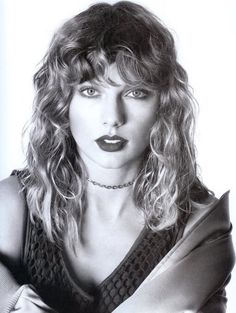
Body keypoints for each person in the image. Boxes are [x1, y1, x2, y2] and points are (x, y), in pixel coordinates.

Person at [0, 1, 235, 312]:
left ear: (163, 105)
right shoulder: (14, 206)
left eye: (135, 92)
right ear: (62, 103)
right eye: (90, 91)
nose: (112, 118)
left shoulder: (196, 230)